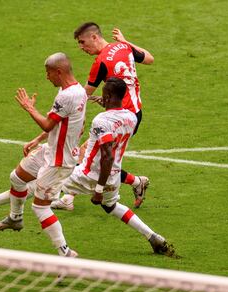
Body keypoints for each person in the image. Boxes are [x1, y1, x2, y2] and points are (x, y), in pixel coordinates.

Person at [0, 52, 87, 257]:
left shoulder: (66, 95)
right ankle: (15, 218)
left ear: (58, 72)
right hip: (50, 150)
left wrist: (29, 108)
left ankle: (66, 254)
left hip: (59, 161)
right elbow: (60, 123)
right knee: (17, 177)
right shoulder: (76, 90)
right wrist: (37, 140)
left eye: (48, 73)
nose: (46, 77)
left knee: (41, 208)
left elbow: (48, 123)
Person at [59, 77, 175, 256]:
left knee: (43, 181)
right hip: (113, 177)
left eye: (104, 94)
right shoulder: (131, 118)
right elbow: (116, 121)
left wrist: (98, 190)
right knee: (110, 206)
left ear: (109, 95)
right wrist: (107, 107)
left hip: (89, 175)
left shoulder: (101, 121)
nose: (102, 97)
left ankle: (13, 214)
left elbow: (107, 156)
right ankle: (153, 236)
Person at [52, 23, 154, 210]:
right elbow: (149, 59)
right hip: (134, 114)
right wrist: (126, 42)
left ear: (94, 37)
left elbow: (82, 96)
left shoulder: (100, 62)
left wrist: (67, 103)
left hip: (120, 119)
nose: (81, 47)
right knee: (96, 160)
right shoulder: (124, 47)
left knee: (90, 158)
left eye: (82, 42)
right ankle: (136, 182)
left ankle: (68, 198)